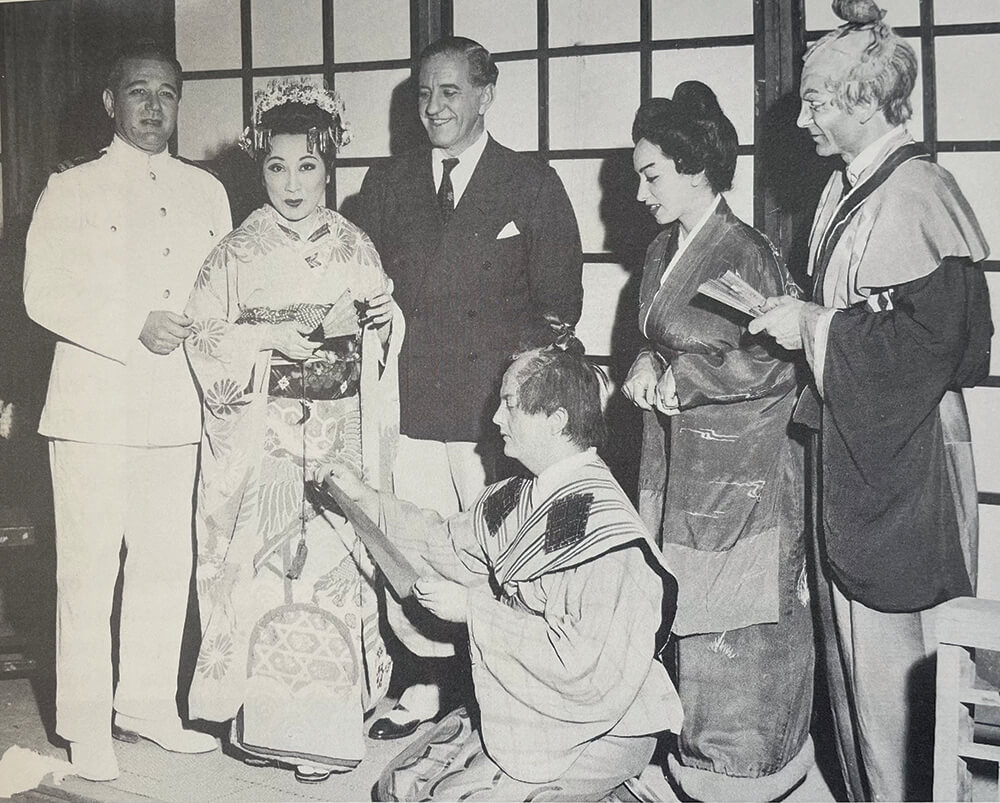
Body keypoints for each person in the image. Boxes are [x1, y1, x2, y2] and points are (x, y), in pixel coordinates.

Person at [748, 1, 992, 799]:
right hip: (855, 444)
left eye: (817, 102)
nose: (803, 120)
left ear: (864, 100)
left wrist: (814, 325)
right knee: (854, 669)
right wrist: (804, 318)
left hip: (906, 459)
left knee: (899, 668)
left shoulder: (919, 190)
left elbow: (940, 343)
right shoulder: (844, 188)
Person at [318, 341, 682, 801]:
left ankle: (622, 789)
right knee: (399, 788)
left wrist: (474, 609)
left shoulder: (607, 535)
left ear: (556, 419)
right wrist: (364, 499)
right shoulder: (516, 495)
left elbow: (585, 670)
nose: (495, 418)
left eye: (509, 404)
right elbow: (439, 545)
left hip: (602, 726)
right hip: (530, 699)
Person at [352, 35, 584, 738]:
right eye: (424, 93)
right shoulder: (387, 184)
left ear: (486, 95)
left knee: (499, 553)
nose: (434, 107)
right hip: (413, 399)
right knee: (415, 550)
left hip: (494, 412)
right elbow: (355, 281)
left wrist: (520, 391)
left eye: (450, 91)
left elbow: (560, 303)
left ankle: (499, 693)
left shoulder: (530, 182)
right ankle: (423, 682)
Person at [22, 41, 231, 782]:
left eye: (167, 93)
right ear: (111, 102)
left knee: (165, 565)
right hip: (94, 409)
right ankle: (86, 726)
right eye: (139, 92)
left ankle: (147, 706)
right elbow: (41, 293)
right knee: (87, 572)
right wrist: (129, 325)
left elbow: (221, 293)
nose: (153, 106)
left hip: (178, 409)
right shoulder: (71, 189)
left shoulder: (208, 192)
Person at [183, 79, 402, 784]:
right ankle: (264, 728)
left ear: (329, 165)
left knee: (331, 580)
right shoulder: (235, 252)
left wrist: (381, 323)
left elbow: (383, 338)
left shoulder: (355, 246)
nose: (292, 183)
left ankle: (323, 733)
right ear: (261, 168)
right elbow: (203, 337)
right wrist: (279, 335)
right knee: (265, 579)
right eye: (277, 166)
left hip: (337, 437)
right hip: (264, 440)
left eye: (307, 166)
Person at [621, 83, 814, 801]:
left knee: (739, 608)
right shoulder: (661, 249)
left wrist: (688, 377)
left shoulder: (747, 251)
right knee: (683, 597)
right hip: (678, 452)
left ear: (697, 168)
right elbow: (658, 336)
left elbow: (780, 363)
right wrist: (647, 363)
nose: (640, 193)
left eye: (651, 176)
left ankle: (747, 768)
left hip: (745, 460)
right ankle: (693, 756)